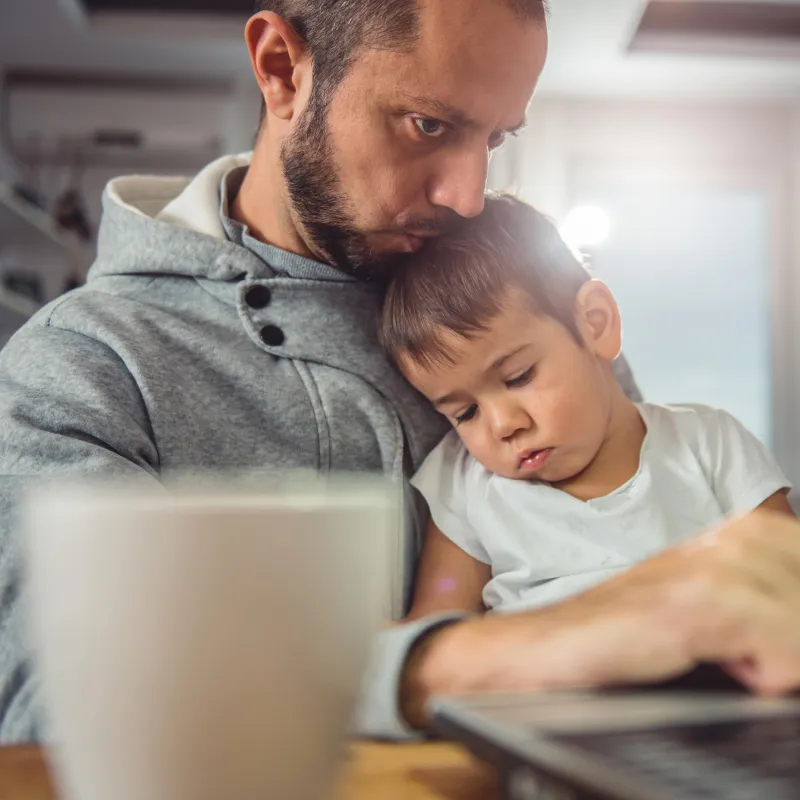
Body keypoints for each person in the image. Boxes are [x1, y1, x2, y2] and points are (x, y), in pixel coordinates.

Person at [1, 0, 800, 744]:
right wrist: (495, 656)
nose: (467, 195)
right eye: (427, 123)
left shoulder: (518, 304)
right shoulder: (82, 368)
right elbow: (55, 710)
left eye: (495, 140)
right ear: (282, 68)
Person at [380, 195, 795, 620]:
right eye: (465, 413)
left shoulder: (710, 443)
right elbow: (433, 632)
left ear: (595, 324)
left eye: (519, 376)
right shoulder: (464, 481)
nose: (503, 425)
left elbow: (789, 586)